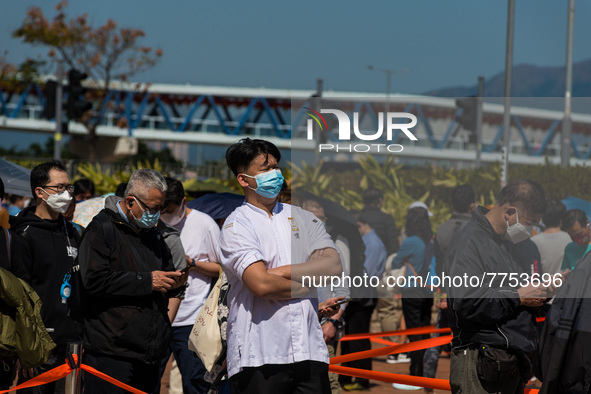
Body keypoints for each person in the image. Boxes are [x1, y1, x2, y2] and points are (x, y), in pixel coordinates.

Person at [219, 138, 342, 394]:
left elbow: (333, 266)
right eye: (265, 169)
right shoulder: (236, 225)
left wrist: (281, 273)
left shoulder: (304, 218)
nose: (275, 174)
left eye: (276, 167)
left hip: (309, 350)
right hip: (260, 354)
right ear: (244, 179)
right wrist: (309, 281)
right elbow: (262, 285)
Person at [78, 169, 187, 394]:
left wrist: (175, 280)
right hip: (111, 352)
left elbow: (165, 273)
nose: (157, 215)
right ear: (130, 202)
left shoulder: (153, 234)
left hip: (149, 351)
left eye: (161, 208)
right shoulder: (101, 229)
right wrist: (147, 281)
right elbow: (94, 280)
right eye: (153, 209)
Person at [446, 180, 550, 394]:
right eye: (529, 222)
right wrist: (518, 296)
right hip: (480, 364)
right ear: (510, 212)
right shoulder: (469, 242)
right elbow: (467, 302)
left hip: (510, 363)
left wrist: (545, 293)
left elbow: (519, 293)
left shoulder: (510, 244)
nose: (530, 230)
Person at [8, 161, 82, 394]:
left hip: (72, 344)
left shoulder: (73, 232)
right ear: (39, 192)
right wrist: (26, 349)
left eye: (69, 188)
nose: (66, 194)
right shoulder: (23, 235)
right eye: (59, 188)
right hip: (39, 346)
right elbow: (19, 295)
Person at [159, 177, 221, 394]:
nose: (165, 214)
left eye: (171, 209)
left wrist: (192, 263)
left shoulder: (205, 224)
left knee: (196, 383)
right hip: (157, 317)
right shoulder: (151, 222)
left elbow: (222, 269)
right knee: (147, 380)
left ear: (184, 202)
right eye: (161, 208)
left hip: (193, 321)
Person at [423, 184, 476, 393]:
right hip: (470, 294)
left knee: (437, 338)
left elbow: (439, 264)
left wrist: (442, 292)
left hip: (446, 292)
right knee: (468, 342)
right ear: (472, 204)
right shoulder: (477, 229)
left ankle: (428, 382)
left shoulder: (442, 229)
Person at [300, 196, 349, 394]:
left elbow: (343, 293)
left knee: (329, 382)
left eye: (316, 216)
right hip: (297, 330)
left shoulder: (332, 251)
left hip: (323, 330)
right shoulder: (294, 250)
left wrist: (332, 323)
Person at [338, 212, 386, 392]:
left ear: (359, 224)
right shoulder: (368, 241)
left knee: (359, 340)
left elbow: (367, 275)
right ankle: (347, 376)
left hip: (363, 297)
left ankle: (362, 379)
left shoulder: (373, 244)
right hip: (359, 296)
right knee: (350, 339)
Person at [391, 207, 434, 389]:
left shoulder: (410, 241)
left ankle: (415, 374)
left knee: (413, 332)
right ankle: (424, 372)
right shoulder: (431, 241)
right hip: (427, 290)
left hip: (411, 290)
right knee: (424, 331)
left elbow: (395, 262)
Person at [531, 199, 571, 275]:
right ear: (561, 218)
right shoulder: (570, 239)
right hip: (565, 284)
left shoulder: (533, 241)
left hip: (543, 285)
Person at [360, 188, 399, 255]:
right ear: (380, 200)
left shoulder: (358, 218)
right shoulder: (387, 218)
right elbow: (393, 246)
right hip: (382, 258)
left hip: (360, 259)